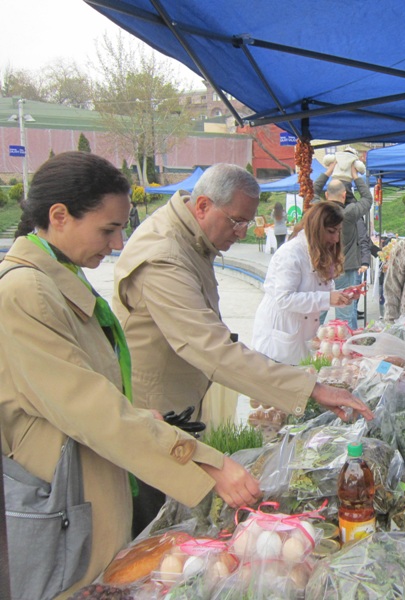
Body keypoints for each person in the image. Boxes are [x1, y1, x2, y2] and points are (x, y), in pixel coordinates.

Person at [0, 152, 261, 598]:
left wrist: (144, 417)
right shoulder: (25, 292)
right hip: (63, 506)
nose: (118, 244)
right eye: (108, 230)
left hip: (92, 488)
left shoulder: (59, 278)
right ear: (59, 217)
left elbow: (97, 390)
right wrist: (206, 461)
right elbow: (93, 410)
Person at [113, 163, 372, 529]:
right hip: (154, 417)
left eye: (248, 222)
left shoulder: (192, 237)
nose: (243, 232)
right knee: (156, 525)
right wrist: (312, 388)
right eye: (237, 221)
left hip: (180, 407)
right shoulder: (165, 255)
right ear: (203, 206)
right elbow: (213, 350)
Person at [252, 202, 353, 365]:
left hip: (303, 333)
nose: (335, 239)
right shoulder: (290, 253)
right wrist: (327, 298)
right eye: (331, 232)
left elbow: (321, 287)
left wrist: (342, 295)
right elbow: (285, 299)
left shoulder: (319, 251)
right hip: (280, 337)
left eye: (338, 232)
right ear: (316, 229)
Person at [313, 160, 373, 330]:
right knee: (345, 315)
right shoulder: (350, 212)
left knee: (318, 313)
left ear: (326, 195)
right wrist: (355, 176)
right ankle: (346, 344)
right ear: (344, 195)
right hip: (346, 268)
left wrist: (328, 172)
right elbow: (367, 198)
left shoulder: (318, 210)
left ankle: (313, 341)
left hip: (322, 267)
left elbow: (312, 190)